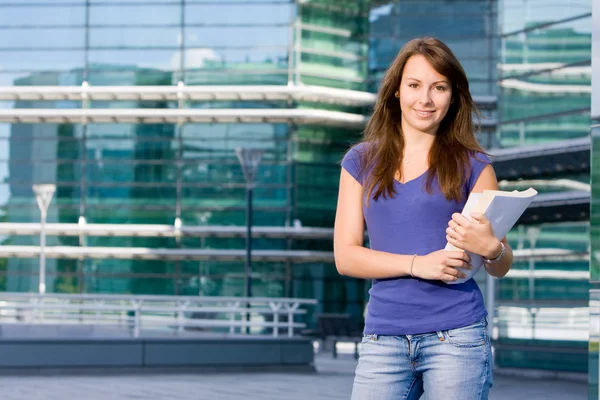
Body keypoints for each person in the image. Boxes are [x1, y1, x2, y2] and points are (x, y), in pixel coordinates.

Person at [333, 37, 513, 400]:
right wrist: (419, 264)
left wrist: (493, 249)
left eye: (439, 87)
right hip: (382, 337)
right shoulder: (359, 162)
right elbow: (346, 257)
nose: (425, 99)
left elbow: (500, 263)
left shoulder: (474, 166)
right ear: (396, 91)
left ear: (453, 95)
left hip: (457, 337)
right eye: (414, 85)